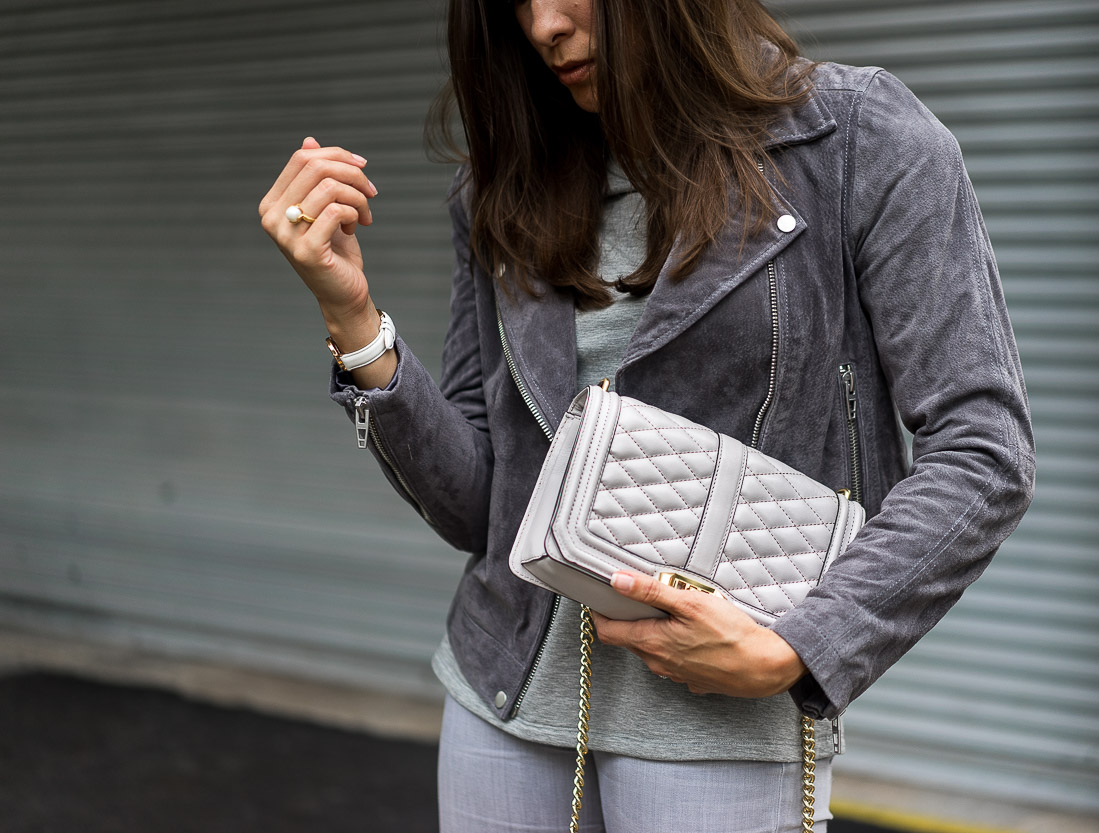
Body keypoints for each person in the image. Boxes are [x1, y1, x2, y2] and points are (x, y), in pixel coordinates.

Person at [259, 0, 1035, 830]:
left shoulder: (858, 140)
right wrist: (353, 320)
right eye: (516, 4)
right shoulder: (504, 186)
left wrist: (803, 644)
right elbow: (484, 509)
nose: (542, 26)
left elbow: (982, 449)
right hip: (502, 702)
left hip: (717, 726)